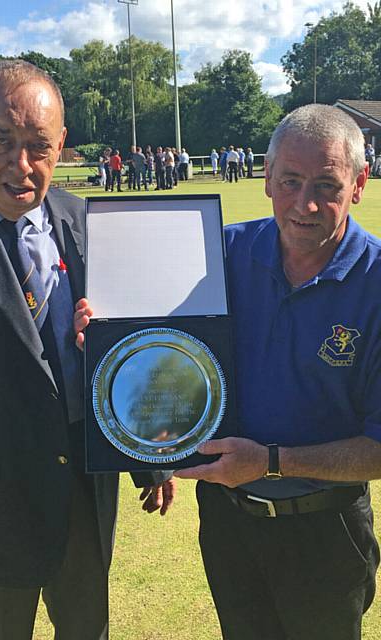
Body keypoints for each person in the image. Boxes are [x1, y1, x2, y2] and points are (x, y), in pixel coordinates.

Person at [0, 59, 175, 640]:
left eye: (39, 146)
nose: (22, 166)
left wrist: (146, 452)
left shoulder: (86, 219)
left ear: (62, 143)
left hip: (84, 511)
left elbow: (123, 350)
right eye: (2, 141)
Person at [176, 104, 381, 640]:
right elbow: (157, 346)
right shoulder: (220, 253)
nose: (304, 204)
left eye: (326, 185)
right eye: (289, 181)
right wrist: (105, 325)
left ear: (359, 184)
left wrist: (270, 463)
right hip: (227, 524)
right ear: (266, 177)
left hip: (326, 531)